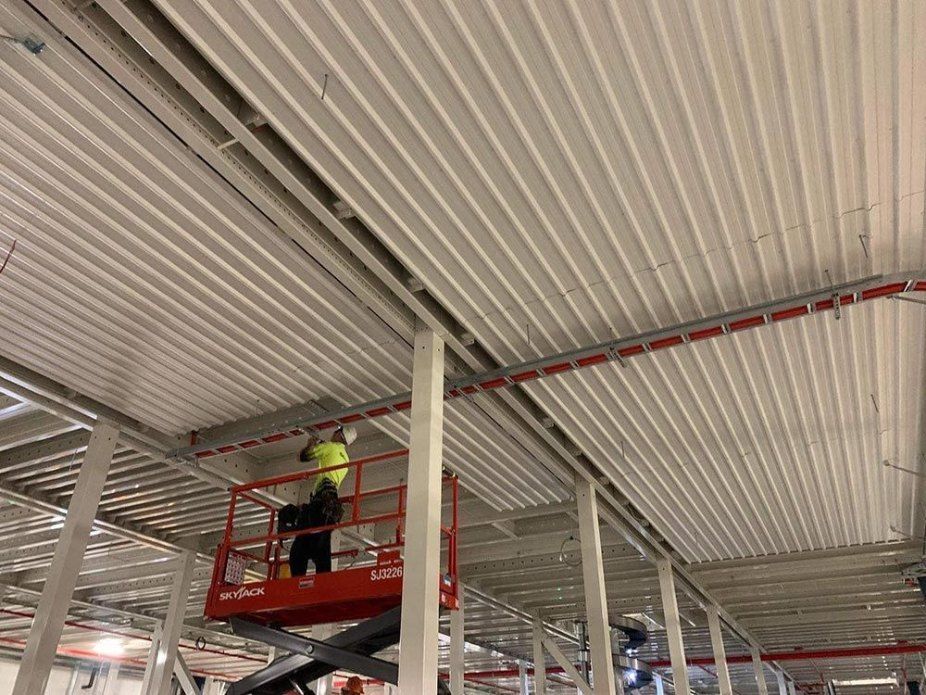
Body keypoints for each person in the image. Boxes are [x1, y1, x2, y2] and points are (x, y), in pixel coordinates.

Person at [288, 425, 357, 576]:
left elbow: (302, 457)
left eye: (336, 431)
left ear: (340, 435)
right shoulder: (345, 458)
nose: (333, 433)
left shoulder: (331, 447)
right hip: (330, 506)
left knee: (300, 548)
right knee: (321, 545)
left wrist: (310, 444)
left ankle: (296, 583)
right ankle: (324, 583)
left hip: (320, 502)